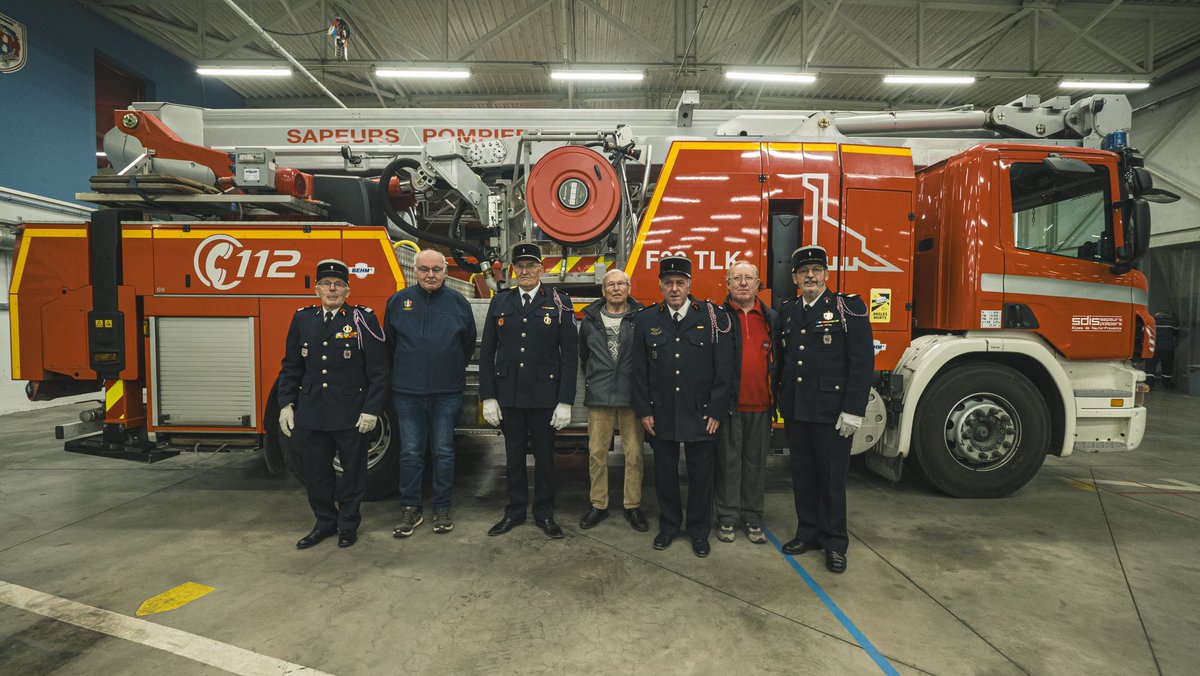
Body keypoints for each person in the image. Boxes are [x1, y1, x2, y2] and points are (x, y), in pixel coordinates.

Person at [774, 246, 873, 573]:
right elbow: (785, 360)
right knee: (803, 477)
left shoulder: (847, 308)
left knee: (831, 480)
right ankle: (807, 534)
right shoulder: (789, 310)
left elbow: (862, 363)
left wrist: (853, 409)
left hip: (832, 412)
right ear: (794, 278)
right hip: (798, 409)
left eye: (816, 270)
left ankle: (835, 543)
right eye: (804, 272)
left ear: (826, 275)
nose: (810, 276)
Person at [277, 259, 389, 550]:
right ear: (316, 289)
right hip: (312, 412)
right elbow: (291, 367)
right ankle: (324, 522)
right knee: (316, 473)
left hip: (350, 413)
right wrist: (286, 404)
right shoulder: (303, 319)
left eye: (338, 285)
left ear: (347, 291)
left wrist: (372, 409)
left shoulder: (361, 319)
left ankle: (348, 524)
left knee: (352, 472)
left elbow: (379, 371)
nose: (332, 289)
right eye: (326, 284)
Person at [632, 254, 734, 558]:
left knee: (701, 476)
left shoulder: (712, 317)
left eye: (680, 282)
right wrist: (644, 410)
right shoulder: (647, 319)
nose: (674, 288)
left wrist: (716, 410)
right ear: (660, 286)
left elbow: (724, 369)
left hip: (701, 413)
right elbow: (639, 371)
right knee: (665, 474)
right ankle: (669, 526)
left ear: (690, 285)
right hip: (662, 411)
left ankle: (699, 531)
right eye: (668, 283)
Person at [479, 242, 578, 538]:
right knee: (513, 457)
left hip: (544, 396)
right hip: (509, 395)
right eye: (519, 266)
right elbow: (487, 352)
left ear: (541, 269)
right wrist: (489, 397)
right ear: (513, 270)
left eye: (530, 265)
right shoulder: (501, 301)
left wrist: (565, 401)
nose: (524, 271)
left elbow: (569, 355)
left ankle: (545, 514)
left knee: (545, 459)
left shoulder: (559, 302)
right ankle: (515, 511)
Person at [385, 249, 477, 538]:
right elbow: (390, 345)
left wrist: (449, 369)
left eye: (436, 269)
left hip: (446, 392)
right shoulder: (398, 302)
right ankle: (410, 509)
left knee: (444, 452)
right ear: (415, 271)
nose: (430, 275)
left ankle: (442, 507)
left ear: (445, 272)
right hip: (407, 392)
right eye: (424, 269)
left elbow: (467, 344)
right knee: (410, 453)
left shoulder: (459, 303)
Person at [578, 268, 648, 532]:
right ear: (603, 290)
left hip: (632, 396)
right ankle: (598, 504)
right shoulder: (590, 319)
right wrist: (598, 376)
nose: (616, 289)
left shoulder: (641, 317)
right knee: (596, 453)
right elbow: (584, 356)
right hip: (600, 395)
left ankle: (633, 505)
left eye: (621, 284)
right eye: (611, 285)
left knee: (635, 454)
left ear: (629, 288)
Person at [714, 261, 778, 545]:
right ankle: (727, 518)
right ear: (727, 284)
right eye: (736, 278)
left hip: (761, 407)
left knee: (755, 465)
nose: (742, 283)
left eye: (748, 278)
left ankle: (752, 518)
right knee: (727, 464)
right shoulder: (718, 318)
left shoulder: (771, 318)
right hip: (729, 407)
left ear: (758, 284)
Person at [1147, 311, 1179, 390]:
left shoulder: (1151, 322)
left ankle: (1149, 385)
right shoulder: (1172, 323)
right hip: (1167, 348)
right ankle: (1167, 385)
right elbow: (1177, 334)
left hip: (1153, 348)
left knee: (1150, 366)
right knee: (1167, 366)